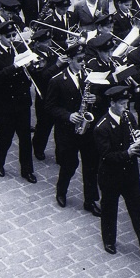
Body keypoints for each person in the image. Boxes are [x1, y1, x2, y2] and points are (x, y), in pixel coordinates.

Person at [93, 85, 140, 256]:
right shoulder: (102, 127)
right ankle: (109, 240)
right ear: (112, 103)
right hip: (110, 176)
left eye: (127, 103)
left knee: (137, 209)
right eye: (122, 104)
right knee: (109, 208)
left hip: (129, 173)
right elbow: (106, 155)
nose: (126, 108)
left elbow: (135, 133)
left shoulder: (127, 116)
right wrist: (128, 152)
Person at [45, 43, 101, 214]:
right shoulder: (57, 80)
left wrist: (95, 99)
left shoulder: (90, 77)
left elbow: (99, 98)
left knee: (91, 166)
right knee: (69, 164)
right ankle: (61, 191)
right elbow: (49, 107)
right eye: (79, 60)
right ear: (69, 60)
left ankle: (90, 200)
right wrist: (68, 116)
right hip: (67, 131)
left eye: (84, 59)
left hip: (87, 130)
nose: (82, 63)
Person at [0, 20, 37, 184]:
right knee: (5, 136)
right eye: (8, 36)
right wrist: (14, 67)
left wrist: (33, 65)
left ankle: (27, 170)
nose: (12, 39)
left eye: (14, 35)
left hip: (22, 100)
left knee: (25, 138)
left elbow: (30, 72)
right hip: (5, 103)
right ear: (0, 36)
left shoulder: (20, 47)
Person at [30, 28, 68, 160]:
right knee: (44, 126)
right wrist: (57, 65)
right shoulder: (34, 57)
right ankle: (38, 148)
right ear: (38, 44)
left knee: (59, 126)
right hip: (44, 96)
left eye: (50, 41)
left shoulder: (51, 52)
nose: (50, 44)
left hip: (57, 94)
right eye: (46, 42)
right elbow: (41, 77)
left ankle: (60, 153)